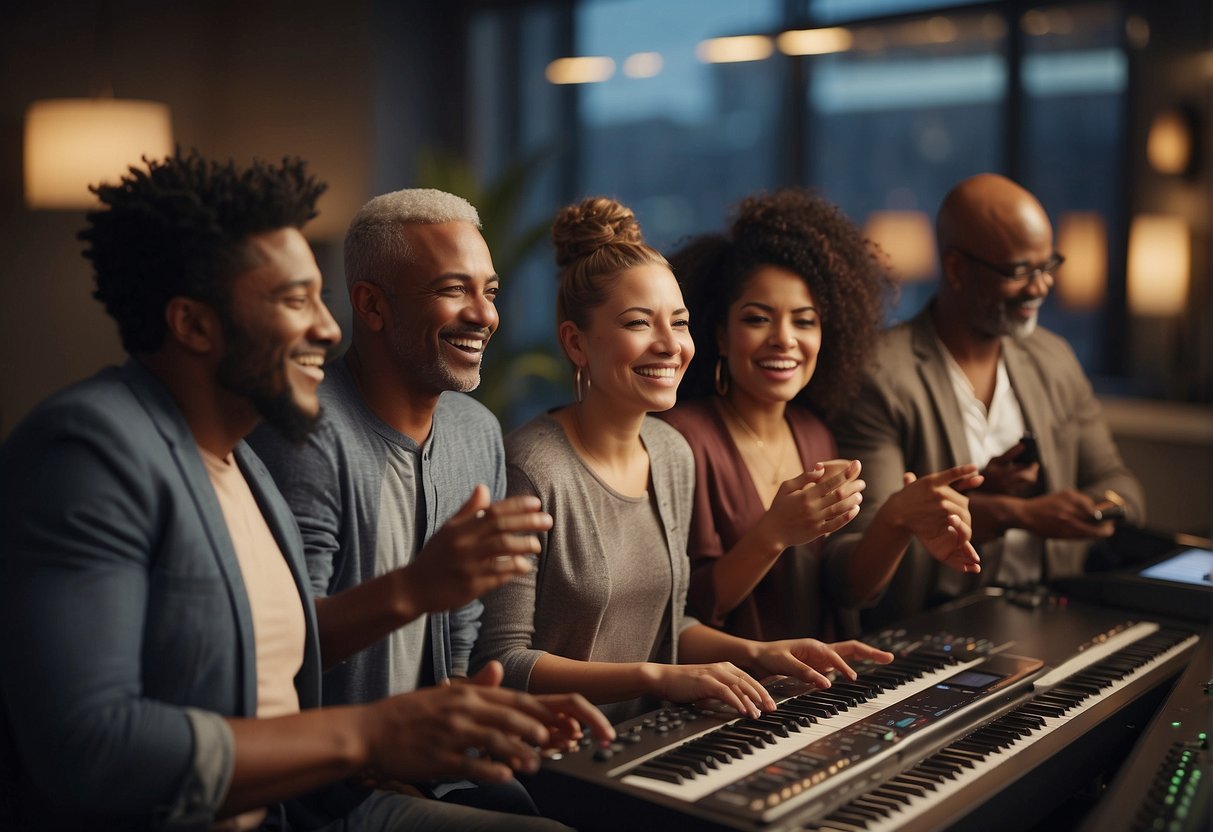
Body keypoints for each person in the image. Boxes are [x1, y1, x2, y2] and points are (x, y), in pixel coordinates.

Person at [0, 152, 609, 832]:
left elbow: (285, 675)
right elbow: (89, 748)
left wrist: (479, 714)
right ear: (193, 324)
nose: (327, 326)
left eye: (321, 297)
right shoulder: (87, 449)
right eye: (295, 300)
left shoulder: (241, 467)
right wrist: (370, 732)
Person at [472, 196, 892, 725]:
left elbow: (671, 624)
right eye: (639, 324)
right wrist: (657, 675)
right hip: (550, 751)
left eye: (680, 322)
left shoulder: (670, 452)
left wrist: (759, 653)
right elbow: (500, 663)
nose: (670, 345)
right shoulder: (530, 469)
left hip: (648, 735)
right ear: (575, 343)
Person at [248, 188, 555, 820]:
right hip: (325, 782)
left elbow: (464, 640)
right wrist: (418, 586)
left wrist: (490, 714)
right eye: (453, 289)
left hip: (437, 763)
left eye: (490, 291)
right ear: (372, 305)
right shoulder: (303, 430)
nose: (484, 315)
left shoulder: (477, 432)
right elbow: (283, 656)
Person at [661, 189, 983, 642]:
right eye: (758, 319)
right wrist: (772, 533)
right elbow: (684, 611)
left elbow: (846, 591)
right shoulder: (682, 440)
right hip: (729, 693)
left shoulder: (813, 434)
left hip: (817, 692)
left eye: (804, 320)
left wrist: (897, 521)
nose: (784, 339)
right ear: (720, 332)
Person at [830, 173, 1145, 628]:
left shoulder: (1053, 359)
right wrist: (1014, 515)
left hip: (1053, 617)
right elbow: (862, 561)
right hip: (932, 632)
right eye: (1020, 271)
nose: (1041, 287)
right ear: (956, 269)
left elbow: (1122, 486)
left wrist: (1096, 510)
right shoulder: (879, 373)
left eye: (1048, 265)